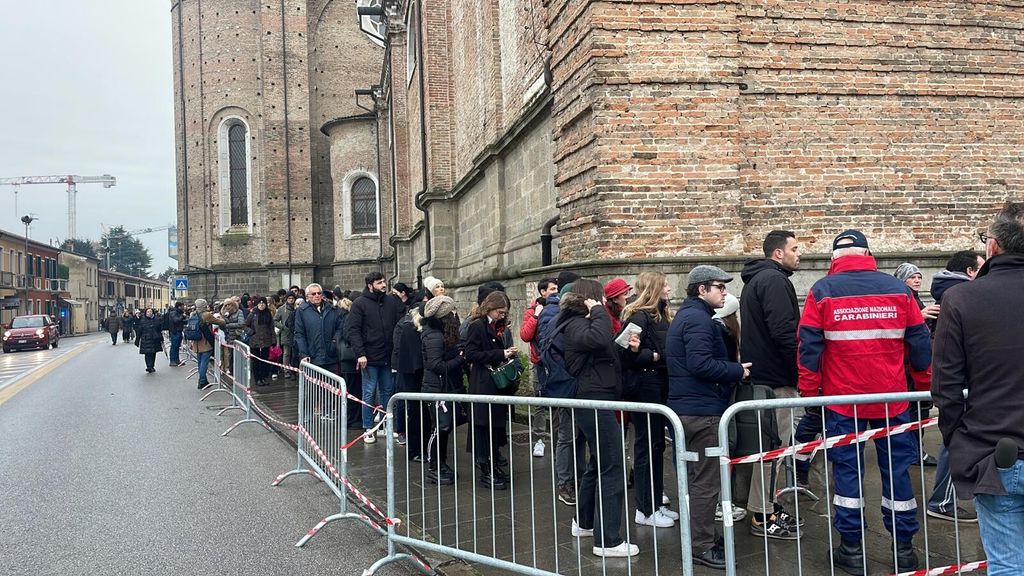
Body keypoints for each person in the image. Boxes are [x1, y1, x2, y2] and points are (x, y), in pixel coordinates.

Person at [798, 230, 932, 575]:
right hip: (893, 399)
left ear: (833, 259)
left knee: (847, 474)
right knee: (898, 473)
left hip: (843, 402)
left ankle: (852, 549)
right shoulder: (899, 290)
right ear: (869, 254)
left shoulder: (821, 291)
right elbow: (920, 343)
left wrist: (810, 394)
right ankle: (904, 550)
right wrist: (924, 387)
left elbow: (809, 348)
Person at [932, 201, 1024, 576]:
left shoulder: (961, 299)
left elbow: (946, 386)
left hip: (993, 449)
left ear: (993, 246)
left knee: (1007, 565)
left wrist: (957, 439)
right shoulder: (961, 298)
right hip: (995, 453)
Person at [667, 265, 749, 570]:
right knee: (705, 483)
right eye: (719, 286)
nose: (724, 292)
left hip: (691, 408)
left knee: (698, 480)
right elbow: (701, 364)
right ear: (702, 289)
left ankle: (702, 538)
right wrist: (737, 370)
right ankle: (701, 545)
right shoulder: (698, 319)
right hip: (701, 412)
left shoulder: (689, 316)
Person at [558, 279, 638, 558]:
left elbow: (604, 352)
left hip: (599, 397)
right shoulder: (577, 323)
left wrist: (627, 347)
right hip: (593, 401)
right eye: (600, 297)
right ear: (590, 299)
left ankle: (584, 522)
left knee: (599, 463)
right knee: (613, 465)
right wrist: (599, 312)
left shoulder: (585, 322)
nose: (604, 301)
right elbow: (598, 339)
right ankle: (608, 540)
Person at [738, 230, 803, 538]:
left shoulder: (757, 280)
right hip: (776, 379)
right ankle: (763, 515)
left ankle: (768, 508)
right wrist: (802, 371)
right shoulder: (774, 281)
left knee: (769, 450)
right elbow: (784, 332)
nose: (799, 254)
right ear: (778, 253)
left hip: (765, 377)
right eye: (795, 248)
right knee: (772, 451)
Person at [924, 250, 985, 523]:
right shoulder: (962, 296)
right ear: (970, 271)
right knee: (955, 441)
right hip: (961, 383)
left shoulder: (948, 293)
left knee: (955, 440)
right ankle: (942, 501)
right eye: (982, 268)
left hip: (957, 382)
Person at [619, 271, 678, 528]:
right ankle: (644, 509)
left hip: (659, 385)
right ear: (653, 288)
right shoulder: (638, 316)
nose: (669, 289)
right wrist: (652, 356)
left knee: (657, 445)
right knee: (647, 446)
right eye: (664, 285)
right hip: (645, 387)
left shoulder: (661, 315)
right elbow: (623, 352)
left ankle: (654, 503)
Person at [538, 270, 586, 505]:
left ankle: (576, 477)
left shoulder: (561, 317)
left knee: (576, 435)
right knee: (567, 435)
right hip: (567, 385)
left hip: (571, 383)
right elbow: (553, 351)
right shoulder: (555, 316)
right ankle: (565, 483)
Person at [464, 290, 518, 490]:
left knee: (494, 429)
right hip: (483, 383)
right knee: (484, 428)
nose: (502, 316)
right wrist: (500, 353)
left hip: (495, 384)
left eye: (504, 313)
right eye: (499, 312)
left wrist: (507, 354)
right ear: (490, 308)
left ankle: (494, 465)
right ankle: (486, 469)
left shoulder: (497, 326)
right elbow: (471, 354)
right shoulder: (477, 326)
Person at [347, 272, 403, 442]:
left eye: (384, 281)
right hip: (369, 357)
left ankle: (386, 426)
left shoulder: (391, 302)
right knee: (369, 393)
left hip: (387, 356)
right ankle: (368, 428)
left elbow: (398, 325)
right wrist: (360, 354)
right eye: (379, 282)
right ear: (370, 285)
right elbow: (354, 330)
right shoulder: (360, 304)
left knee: (388, 392)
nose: (384, 285)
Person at [420, 295, 464, 485]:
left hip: (445, 386)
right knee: (439, 428)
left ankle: (441, 463)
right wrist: (460, 359)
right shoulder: (434, 336)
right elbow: (436, 365)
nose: (455, 314)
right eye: (452, 311)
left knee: (445, 428)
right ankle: (434, 467)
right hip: (436, 388)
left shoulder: (442, 334)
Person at [520, 278, 558, 458]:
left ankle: (559, 442)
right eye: (552, 289)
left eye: (557, 288)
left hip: (556, 363)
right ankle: (539, 440)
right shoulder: (532, 310)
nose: (556, 292)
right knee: (540, 403)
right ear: (543, 292)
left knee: (559, 403)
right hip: (540, 363)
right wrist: (536, 315)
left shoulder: (560, 308)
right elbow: (525, 335)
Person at [392, 293, 427, 457]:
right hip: (411, 377)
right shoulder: (408, 327)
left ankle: (419, 446)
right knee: (414, 412)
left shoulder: (411, 327)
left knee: (419, 413)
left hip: (415, 376)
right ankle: (414, 449)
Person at [192, 299, 226, 389]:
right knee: (204, 362)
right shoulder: (206, 315)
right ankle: (201, 381)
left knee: (200, 362)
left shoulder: (193, 314)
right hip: (205, 342)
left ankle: (204, 380)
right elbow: (220, 322)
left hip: (196, 342)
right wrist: (223, 318)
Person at [244, 296, 276, 386]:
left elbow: (271, 327)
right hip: (255, 340)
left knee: (265, 360)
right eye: (260, 304)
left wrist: (273, 340)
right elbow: (245, 325)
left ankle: (263, 377)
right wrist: (251, 332)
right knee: (256, 361)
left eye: (263, 304)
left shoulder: (268, 314)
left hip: (266, 340)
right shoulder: (253, 314)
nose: (261, 305)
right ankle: (257, 378)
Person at [135, 307, 165, 373]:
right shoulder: (142, 320)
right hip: (146, 339)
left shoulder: (156, 319)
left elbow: (160, 329)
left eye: (150, 311)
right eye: (148, 312)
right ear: (145, 313)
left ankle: (152, 366)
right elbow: (139, 331)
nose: (149, 313)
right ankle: (149, 366)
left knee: (153, 353)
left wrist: (161, 338)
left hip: (154, 339)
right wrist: (137, 340)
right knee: (147, 353)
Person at [274, 293, 296, 380]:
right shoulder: (282, 309)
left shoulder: (297, 307)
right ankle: (286, 370)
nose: (291, 300)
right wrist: (282, 327)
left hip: (296, 333)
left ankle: (295, 370)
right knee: (286, 353)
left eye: (292, 298)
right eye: (289, 298)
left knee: (295, 354)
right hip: (286, 334)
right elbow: (275, 320)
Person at [166, 302, 186, 367]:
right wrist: (182, 317)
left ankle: (177, 360)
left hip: (177, 331)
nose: (184, 307)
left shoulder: (177, 312)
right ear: (179, 306)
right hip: (175, 331)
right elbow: (176, 320)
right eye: (183, 306)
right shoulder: (174, 313)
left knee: (177, 346)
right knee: (174, 346)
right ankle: (173, 361)